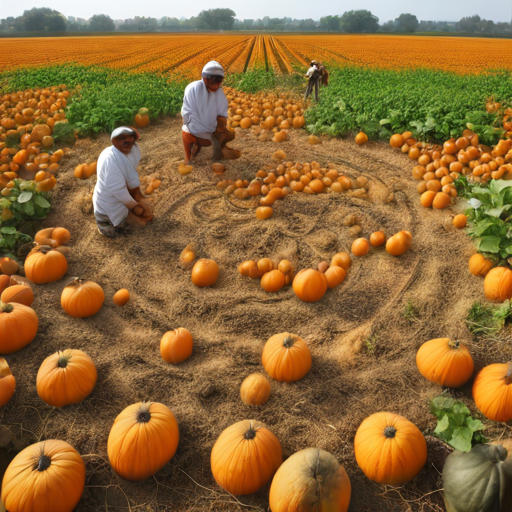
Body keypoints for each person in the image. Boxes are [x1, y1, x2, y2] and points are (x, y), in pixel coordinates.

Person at [92, 126, 153, 238]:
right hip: (109, 202)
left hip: (123, 198)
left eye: (130, 139)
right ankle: (105, 227)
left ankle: (126, 215)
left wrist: (138, 197)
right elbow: (118, 190)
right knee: (114, 222)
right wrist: (134, 206)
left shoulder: (133, 151)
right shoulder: (109, 160)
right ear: (114, 142)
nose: (127, 142)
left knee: (144, 220)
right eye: (122, 139)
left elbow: (130, 176)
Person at [181, 61, 237, 164]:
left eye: (220, 81)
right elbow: (186, 114)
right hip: (193, 129)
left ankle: (217, 159)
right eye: (215, 81)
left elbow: (222, 115)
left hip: (211, 131)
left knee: (227, 136)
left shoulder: (220, 94)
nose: (218, 84)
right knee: (186, 132)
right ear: (205, 79)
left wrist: (220, 129)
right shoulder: (193, 89)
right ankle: (188, 158)